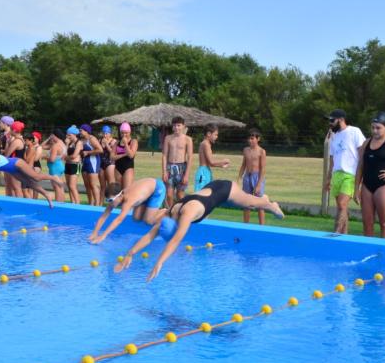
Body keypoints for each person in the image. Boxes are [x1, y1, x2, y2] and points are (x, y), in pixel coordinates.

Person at [114, 180, 284, 282]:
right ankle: (263, 200)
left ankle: (269, 204)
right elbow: (150, 235)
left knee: (250, 204)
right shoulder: (171, 211)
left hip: (224, 189)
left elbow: (174, 242)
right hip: (212, 188)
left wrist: (159, 263)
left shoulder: (186, 215)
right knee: (249, 202)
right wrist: (130, 253)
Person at [323, 109, 366, 234]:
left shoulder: (354, 131)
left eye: (332, 120)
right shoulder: (333, 136)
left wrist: (360, 178)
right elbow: (332, 159)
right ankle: (344, 235)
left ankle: (336, 232)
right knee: (342, 208)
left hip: (350, 174)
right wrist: (328, 178)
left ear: (341, 119)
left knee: (342, 205)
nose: (330, 123)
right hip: (337, 174)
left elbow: (362, 153)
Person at [88, 178, 168, 244]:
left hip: (157, 189)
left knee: (149, 220)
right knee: (136, 218)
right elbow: (103, 216)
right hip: (145, 193)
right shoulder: (115, 199)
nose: (110, 203)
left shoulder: (128, 201)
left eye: (111, 200)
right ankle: (151, 211)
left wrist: (103, 236)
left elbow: (118, 220)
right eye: (108, 200)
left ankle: (166, 212)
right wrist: (94, 233)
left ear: (120, 196)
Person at [238, 129, 268, 225]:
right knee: (246, 203)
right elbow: (243, 165)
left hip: (257, 177)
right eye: (249, 139)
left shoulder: (261, 151)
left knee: (260, 203)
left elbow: (263, 169)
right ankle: (246, 225)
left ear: (258, 139)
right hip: (247, 176)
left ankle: (262, 227)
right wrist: (239, 178)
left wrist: (259, 184)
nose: (250, 141)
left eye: (252, 138)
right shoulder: (246, 150)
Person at [162, 116, 193, 206]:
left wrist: (186, 175)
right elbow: (164, 155)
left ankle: (182, 212)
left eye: (178, 125)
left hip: (181, 168)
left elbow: (190, 157)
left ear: (183, 126)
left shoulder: (188, 139)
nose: (176, 128)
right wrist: (164, 172)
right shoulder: (168, 138)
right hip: (170, 167)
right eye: (174, 125)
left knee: (180, 195)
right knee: (169, 195)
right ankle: (170, 212)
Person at [195, 124, 230, 192]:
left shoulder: (206, 144)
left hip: (206, 171)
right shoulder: (205, 144)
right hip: (203, 173)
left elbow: (210, 164)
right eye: (215, 135)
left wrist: (221, 165)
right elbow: (211, 162)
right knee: (201, 195)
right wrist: (224, 161)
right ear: (208, 134)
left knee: (207, 193)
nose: (216, 137)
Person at [79, 124, 103, 205]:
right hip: (85, 162)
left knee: (93, 184)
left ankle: (97, 204)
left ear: (86, 131)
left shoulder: (92, 139)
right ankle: (90, 203)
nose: (80, 132)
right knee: (87, 185)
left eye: (81, 130)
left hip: (93, 162)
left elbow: (100, 150)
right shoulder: (82, 140)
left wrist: (88, 152)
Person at [43, 129, 67, 202]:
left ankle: (58, 203)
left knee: (56, 187)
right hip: (59, 165)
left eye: (52, 136)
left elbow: (52, 159)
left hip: (54, 167)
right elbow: (42, 146)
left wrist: (44, 157)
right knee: (60, 186)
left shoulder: (56, 146)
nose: (51, 137)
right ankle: (61, 203)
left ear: (54, 136)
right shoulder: (63, 144)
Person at [4, 121, 26, 197]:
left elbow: (7, 154)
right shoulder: (20, 140)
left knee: (16, 188)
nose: (9, 131)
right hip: (17, 165)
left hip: (16, 166)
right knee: (15, 187)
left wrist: (8, 143)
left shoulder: (17, 141)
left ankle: (19, 205)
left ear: (14, 130)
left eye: (11, 129)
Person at [112, 122, 138, 189]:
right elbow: (111, 157)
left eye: (126, 133)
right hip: (118, 168)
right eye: (122, 133)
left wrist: (126, 144)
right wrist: (124, 155)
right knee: (118, 191)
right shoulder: (117, 143)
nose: (124, 135)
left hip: (128, 168)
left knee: (126, 190)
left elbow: (131, 155)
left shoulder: (133, 141)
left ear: (130, 132)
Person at [64, 125, 82, 204]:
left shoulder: (79, 142)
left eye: (69, 135)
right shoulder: (69, 142)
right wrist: (67, 144)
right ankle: (72, 203)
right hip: (68, 165)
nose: (68, 136)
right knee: (69, 186)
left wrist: (65, 157)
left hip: (76, 165)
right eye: (67, 135)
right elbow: (63, 153)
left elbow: (74, 155)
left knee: (72, 186)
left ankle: (77, 204)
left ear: (74, 134)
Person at [99, 125, 116, 196]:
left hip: (110, 163)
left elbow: (112, 152)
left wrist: (106, 144)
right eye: (103, 133)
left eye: (106, 133)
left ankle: (112, 200)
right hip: (101, 164)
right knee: (102, 186)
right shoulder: (99, 140)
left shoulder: (114, 141)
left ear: (110, 133)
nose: (105, 135)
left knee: (111, 184)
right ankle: (99, 204)